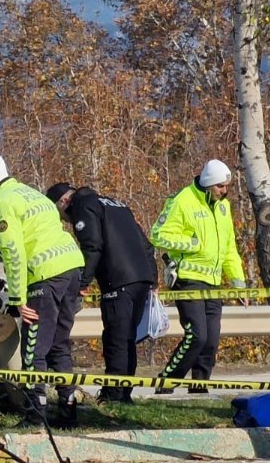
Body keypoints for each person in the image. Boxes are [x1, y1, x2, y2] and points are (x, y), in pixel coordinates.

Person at [0, 155, 85, 426]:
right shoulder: (31, 194)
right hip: (71, 268)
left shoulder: (1, 204)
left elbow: (14, 254)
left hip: (44, 276)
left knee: (34, 351)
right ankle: (69, 411)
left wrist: (18, 299)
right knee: (59, 344)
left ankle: (36, 415)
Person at [46, 183, 157, 404]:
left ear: (63, 202)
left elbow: (92, 246)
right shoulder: (116, 204)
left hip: (118, 279)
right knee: (127, 338)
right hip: (141, 277)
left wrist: (82, 281)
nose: (65, 221)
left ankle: (114, 395)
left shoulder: (82, 206)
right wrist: (152, 277)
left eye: (60, 215)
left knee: (116, 338)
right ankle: (124, 393)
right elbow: (146, 245)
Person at [149, 159, 247, 394]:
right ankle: (167, 381)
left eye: (226, 187)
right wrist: (191, 244)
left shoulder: (223, 207)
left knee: (211, 340)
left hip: (213, 282)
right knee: (197, 336)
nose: (225, 192)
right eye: (220, 187)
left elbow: (229, 247)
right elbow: (157, 235)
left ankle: (199, 389)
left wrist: (238, 281)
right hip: (187, 278)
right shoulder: (182, 201)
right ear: (209, 184)